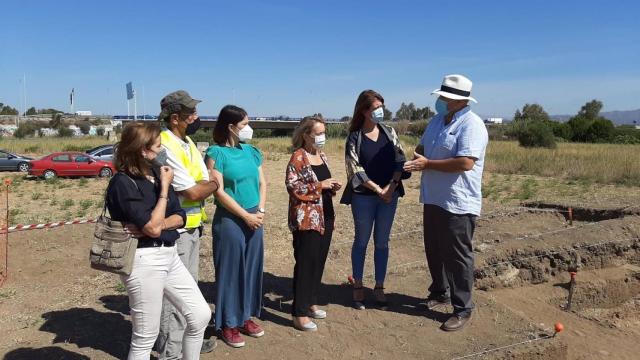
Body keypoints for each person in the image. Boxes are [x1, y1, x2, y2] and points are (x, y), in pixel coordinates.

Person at [106, 122, 211, 360]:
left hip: (169, 253)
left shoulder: (156, 173)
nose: (163, 151)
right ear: (142, 150)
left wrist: (157, 225)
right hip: (143, 261)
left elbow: (180, 217)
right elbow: (153, 225)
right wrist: (164, 191)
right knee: (145, 336)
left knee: (200, 314)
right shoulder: (123, 183)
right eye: (158, 146)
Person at [404, 74, 488, 332]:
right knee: (434, 249)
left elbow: (465, 163)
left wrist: (428, 164)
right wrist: (417, 156)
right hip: (433, 198)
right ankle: (440, 292)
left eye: (444, 97)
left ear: (456, 100)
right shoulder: (437, 121)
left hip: (458, 202)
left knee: (458, 256)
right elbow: (423, 146)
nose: (440, 100)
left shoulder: (471, 125)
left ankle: (462, 308)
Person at [155, 90, 220, 358]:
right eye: (190, 113)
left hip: (192, 228)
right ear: (174, 118)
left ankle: (183, 346)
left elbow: (200, 182)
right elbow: (193, 192)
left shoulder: (188, 142)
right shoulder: (165, 145)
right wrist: (215, 184)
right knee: (174, 299)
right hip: (175, 231)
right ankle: (170, 352)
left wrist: (206, 184)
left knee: (189, 293)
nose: (196, 117)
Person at [340, 90, 409, 310]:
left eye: (381, 106)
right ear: (364, 110)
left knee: (382, 242)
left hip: (390, 195)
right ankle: (358, 284)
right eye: (375, 107)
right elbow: (354, 168)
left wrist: (391, 187)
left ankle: (379, 286)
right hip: (364, 198)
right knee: (361, 241)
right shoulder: (354, 137)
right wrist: (378, 189)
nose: (380, 110)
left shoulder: (390, 132)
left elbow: (400, 160)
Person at [205, 105, 267, 348]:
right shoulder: (216, 153)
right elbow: (218, 191)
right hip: (231, 219)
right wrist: (245, 216)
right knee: (231, 273)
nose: (248, 129)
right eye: (244, 125)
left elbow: (263, 183)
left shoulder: (252, 152)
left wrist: (259, 211)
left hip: (255, 218)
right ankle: (228, 323)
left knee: (252, 268)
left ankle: (245, 317)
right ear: (230, 127)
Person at [286, 116, 341, 331]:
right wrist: (321, 185)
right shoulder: (298, 158)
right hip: (307, 219)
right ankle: (298, 313)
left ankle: (310, 302)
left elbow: (322, 186)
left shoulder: (321, 155)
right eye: (318, 133)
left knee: (318, 262)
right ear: (306, 135)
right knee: (306, 264)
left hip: (325, 216)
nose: (322, 137)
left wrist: (331, 187)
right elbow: (293, 187)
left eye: (323, 132)